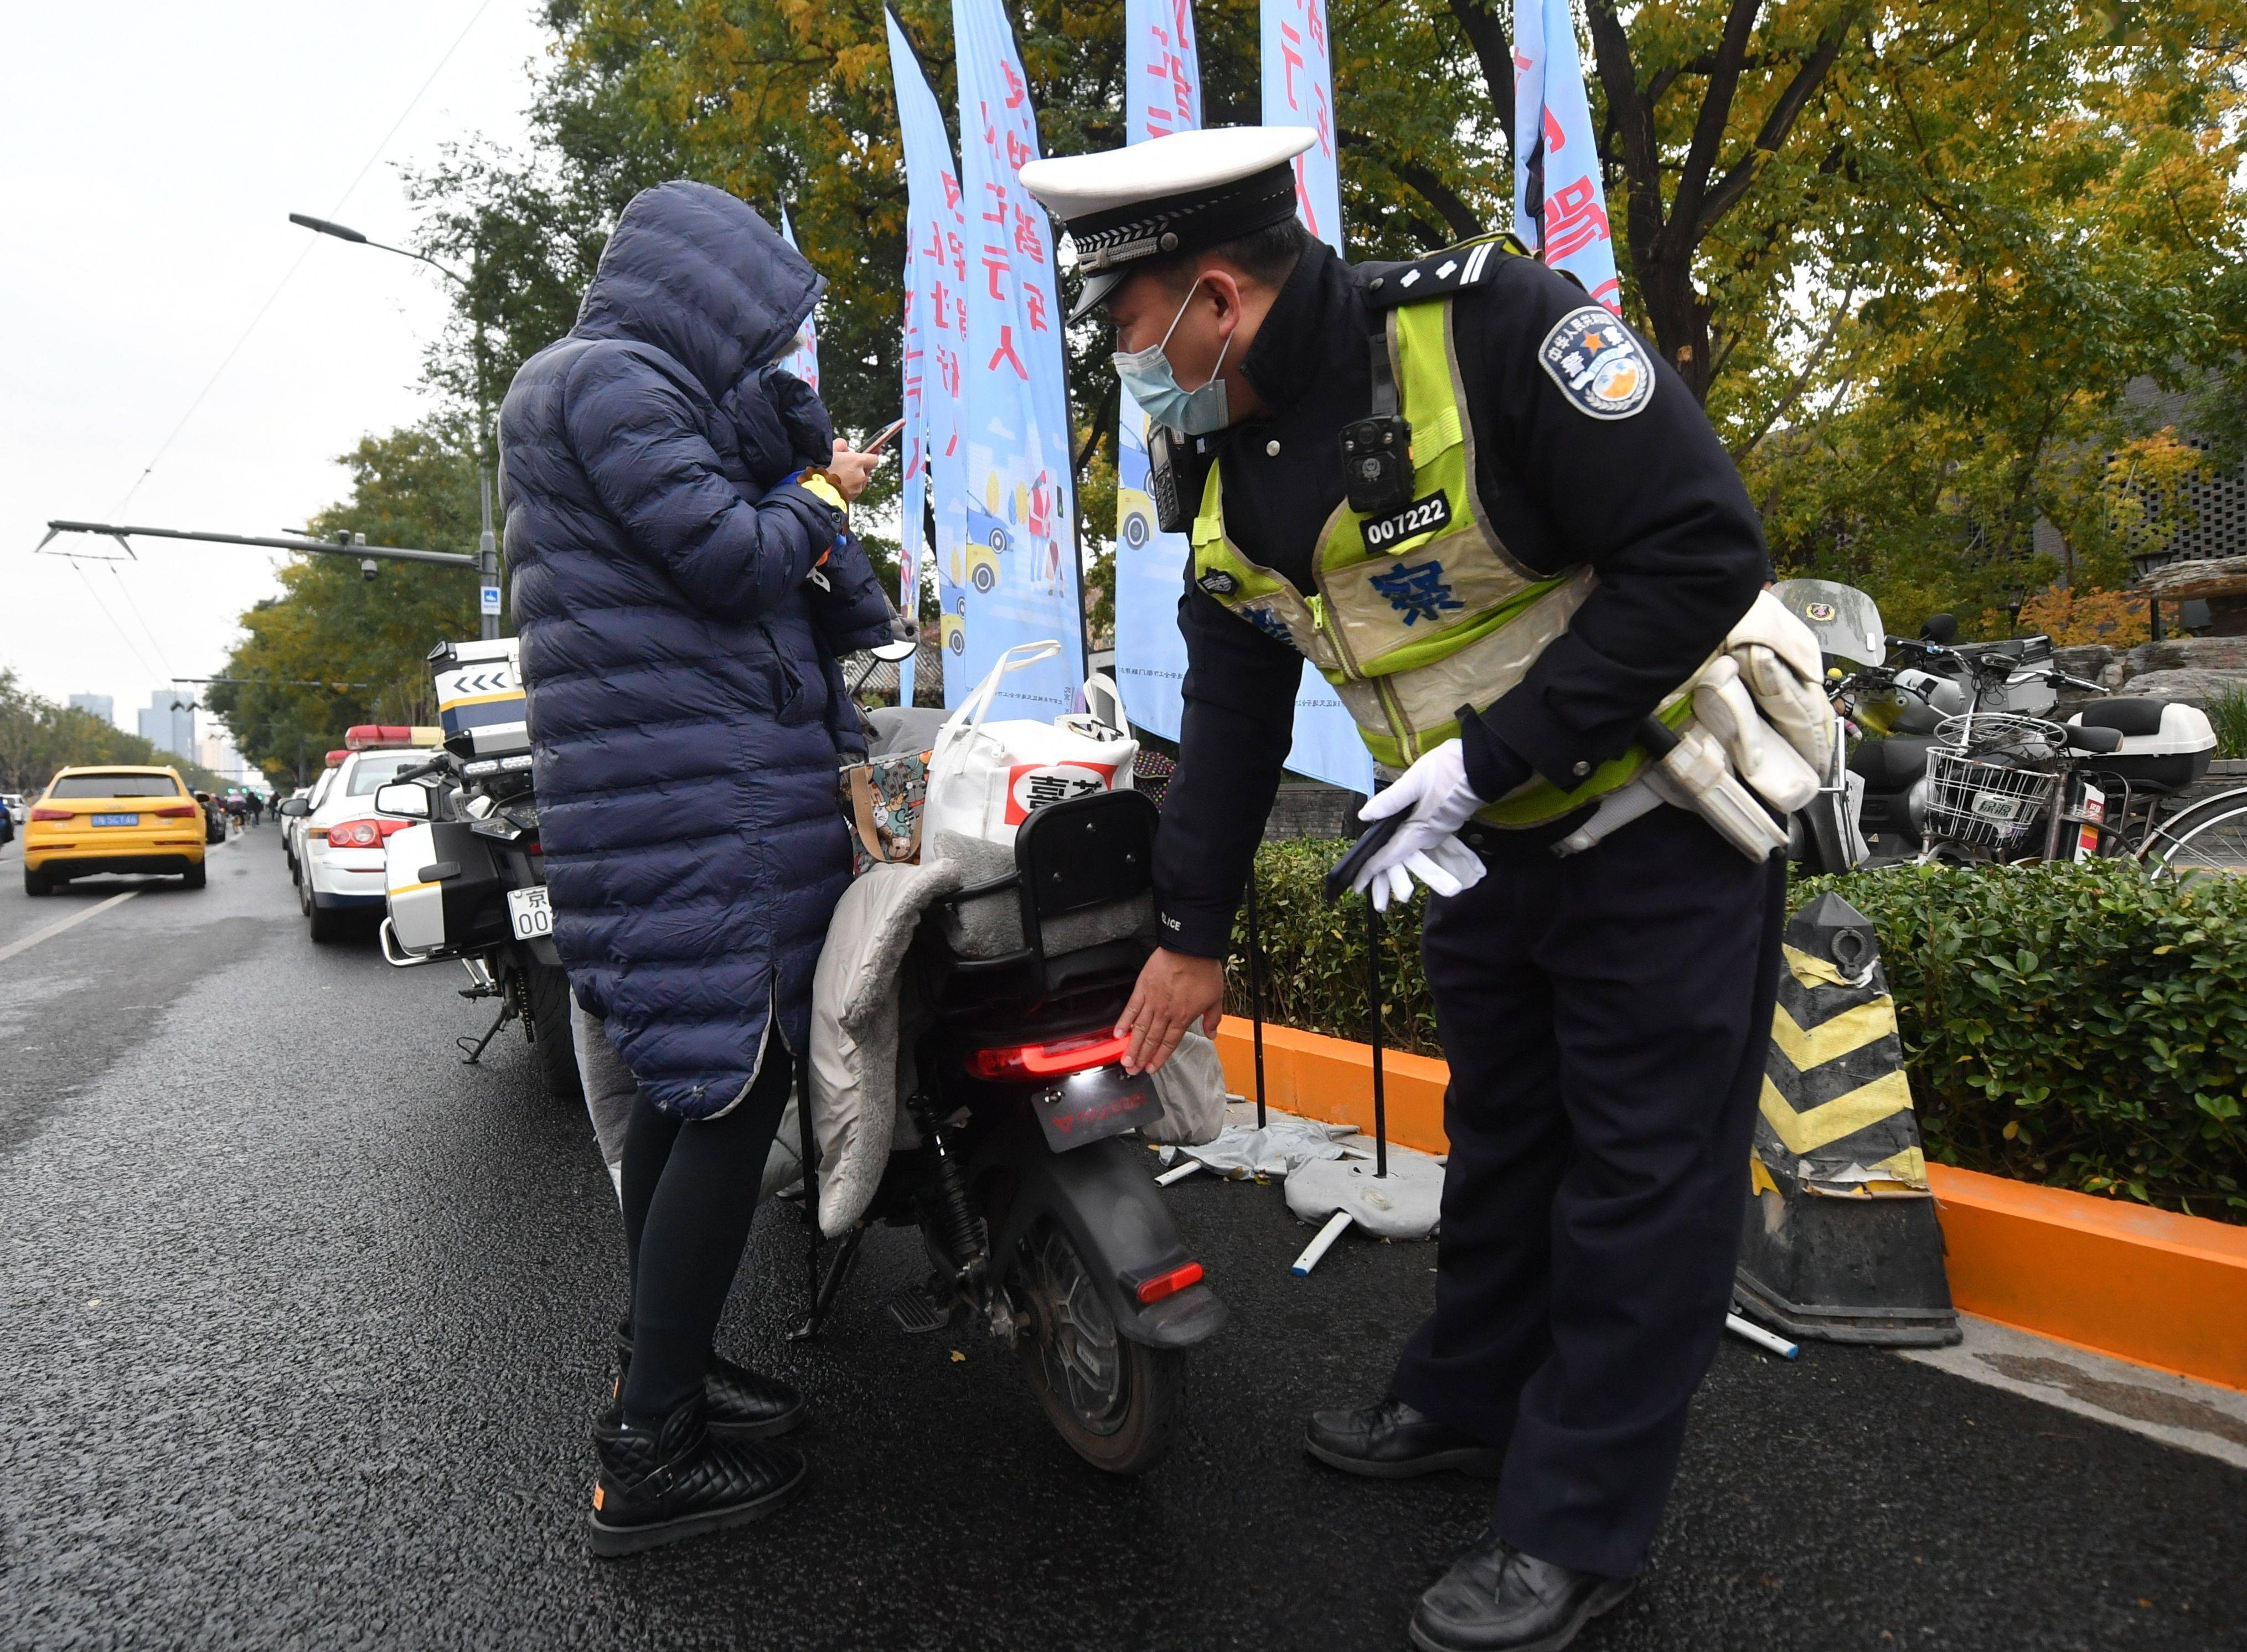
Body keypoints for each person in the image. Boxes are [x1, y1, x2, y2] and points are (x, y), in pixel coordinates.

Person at [1022, 128, 1790, 1651]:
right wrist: (1190, 934)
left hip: (1655, 824)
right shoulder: (1214, 449)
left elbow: (1700, 552)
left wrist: (1488, 756)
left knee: (1641, 1184)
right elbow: (1232, 710)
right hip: (1479, 846)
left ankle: (1577, 1529)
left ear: (1216, 300)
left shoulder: (1495, 330)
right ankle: (1465, 1395)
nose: (1119, 362)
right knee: (1500, 1138)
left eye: (1123, 326)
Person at [499, 179, 895, 1558]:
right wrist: (812, 493)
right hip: (692, 809)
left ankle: (656, 1365)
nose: (777, 355)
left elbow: (803, 592)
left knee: (691, 1081)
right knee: (731, 1087)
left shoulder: (629, 388)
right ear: (705, 295)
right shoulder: (603, 385)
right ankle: (647, 1452)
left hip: (700, 796)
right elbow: (731, 560)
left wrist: (793, 464)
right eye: (766, 329)